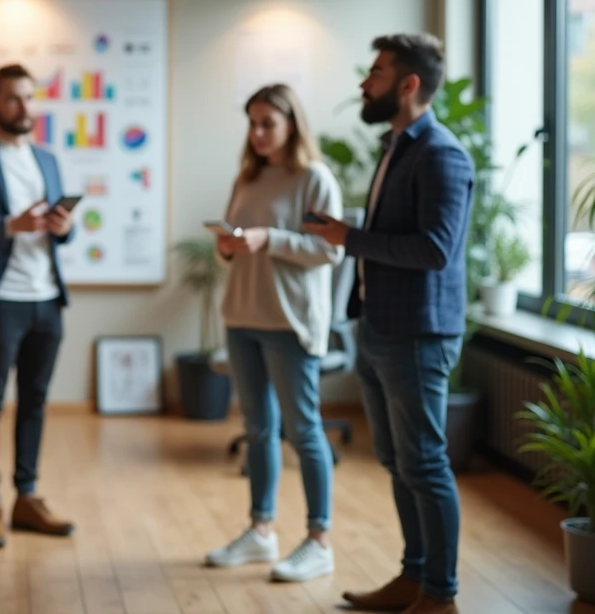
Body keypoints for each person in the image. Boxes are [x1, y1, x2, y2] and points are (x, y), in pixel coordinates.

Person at [305, 34, 473, 614]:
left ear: (408, 85)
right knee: (397, 461)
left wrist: (348, 239)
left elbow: (435, 250)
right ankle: (414, 577)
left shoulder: (441, 153)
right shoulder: (396, 147)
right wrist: (345, 235)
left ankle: (440, 595)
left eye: (375, 72)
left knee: (425, 461)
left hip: (419, 333)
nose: (362, 83)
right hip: (378, 326)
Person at [202, 84, 343, 583]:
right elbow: (236, 246)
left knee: (304, 431)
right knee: (259, 430)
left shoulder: (314, 178)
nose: (258, 133)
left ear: (292, 124)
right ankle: (261, 531)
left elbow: (330, 251)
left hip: (289, 322)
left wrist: (267, 240)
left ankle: (319, 540)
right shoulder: (248, 177)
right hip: (242, 317)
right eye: (253, 123)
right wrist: (229, 245)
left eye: (268, 123)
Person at [0, 64, 77, 550]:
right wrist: (9, 225)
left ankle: (27, 496)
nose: (25, 108)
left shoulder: (47, 159)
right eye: (13, 99)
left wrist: (64, 228)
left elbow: (58, 227)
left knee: (38, 402)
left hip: (48, 298)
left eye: (29, 98)